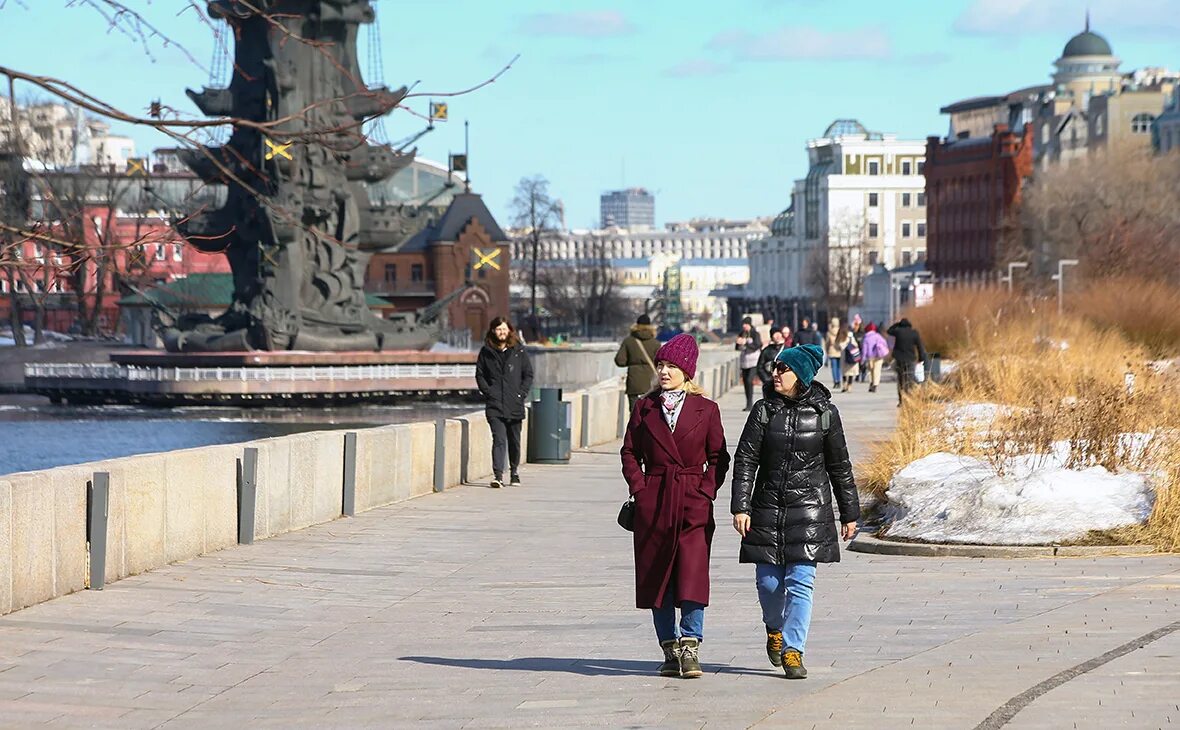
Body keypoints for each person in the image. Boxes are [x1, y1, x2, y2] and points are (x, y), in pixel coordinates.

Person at [730, 344, 860, 680]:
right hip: (767, 508)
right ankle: (774, 629)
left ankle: (793, 650)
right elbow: (746, 460)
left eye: (783, 370)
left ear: (800, 376)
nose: (775, 374)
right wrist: (740, 506)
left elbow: (840, 465)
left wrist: (849, 513)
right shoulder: (762, 411)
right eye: (775, 368)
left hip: (810, 511)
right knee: (769, 584)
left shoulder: (825, 413)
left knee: (801, 583)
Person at [621, 334, 730, 679]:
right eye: (661, 365)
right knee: (658, 575)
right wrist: (641, 487)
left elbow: (718, 457)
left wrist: (706, 491)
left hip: (691, 501)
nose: (664, 371)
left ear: (687, 371)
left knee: (692, 573)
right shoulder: (645, 407)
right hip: (654, 500)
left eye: (671, 366)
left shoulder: (707, 409)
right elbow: (628, 452)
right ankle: (669, 647)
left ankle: (691, 644)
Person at [475, 317, 534, 488]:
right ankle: (498, 475)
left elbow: (528, 374)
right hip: (494, 405)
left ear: (509, 330)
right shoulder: (486, 352)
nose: (501, 332)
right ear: (493, 331)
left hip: (514, 403)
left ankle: (514, 472)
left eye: (504, 329)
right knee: (499, 439)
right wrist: (488, 392)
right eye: (498, 329)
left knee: (514, 441)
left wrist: (520, 394)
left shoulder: (518, 351)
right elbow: (480, 375)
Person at [615, 314, 661, 410]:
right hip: (651, 382)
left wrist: (633, 362)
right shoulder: (656, 343)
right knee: (650, 412)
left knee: (634, 413)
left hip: (634, 382)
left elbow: (620, 361)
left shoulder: (628, 341)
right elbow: (660, 362)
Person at [888, 318, 927, 406]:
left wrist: (896, 325)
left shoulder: (898, 332)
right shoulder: (914, 333)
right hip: (910, 359)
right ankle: (908, 398)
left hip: (899, 359)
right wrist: (921, 358)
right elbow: (920, 346)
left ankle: (901, 400)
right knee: (909, 379)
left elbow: (889, 331)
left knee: (901, 379)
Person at [735, 317, 763, 412]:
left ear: (749, 325)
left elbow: (757, 345)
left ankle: (750, 403)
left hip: (754, 361)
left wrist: (746, 343)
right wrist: (738, 343)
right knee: (746, 382)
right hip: (744, 362)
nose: (744, 326)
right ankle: (748, 403)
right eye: (743, 325)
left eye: (746, 324)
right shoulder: (741, 334)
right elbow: (737, 347)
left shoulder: (755, 334)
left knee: (749, 380)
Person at [860, 323, 890, 393]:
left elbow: (864, 350)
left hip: (870, 357)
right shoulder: (878, 336)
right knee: (877, 370)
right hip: (879, 356)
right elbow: (884, 343)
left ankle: (871, 383)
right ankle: (875, 384)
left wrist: (863, 359)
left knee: (871, 371)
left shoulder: (866, 338)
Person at [838, 326, 860, 393]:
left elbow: (839, 347)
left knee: (844, 372)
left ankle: (844, 385)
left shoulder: (841, 339)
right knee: (851, 373)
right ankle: (849, 386)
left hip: (844, 358)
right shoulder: (851, 338)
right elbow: (856, 345)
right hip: (851, 357)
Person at [823, 317, 843, 388]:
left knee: (834, 367)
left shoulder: (829, 332)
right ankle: (839, 380)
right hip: (840, 351)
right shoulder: (840, 331)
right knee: (839, 367)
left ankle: (836, 381)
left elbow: (827, 343)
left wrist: (827, 350)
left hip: (832, 351)